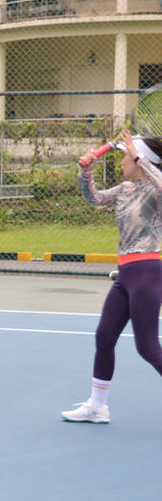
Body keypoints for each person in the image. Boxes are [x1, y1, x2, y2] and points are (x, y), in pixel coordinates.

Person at [61, 131, 162, 423]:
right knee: (104, 338)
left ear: (139, 160)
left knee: (147, 347)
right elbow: (93, 198)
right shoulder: (126, 188)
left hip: (148, 271)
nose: (120, 162)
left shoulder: (155, 189)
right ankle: (97, 406)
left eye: (124, 157)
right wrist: (85, 173)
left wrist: (139, 154)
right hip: (126, 274)